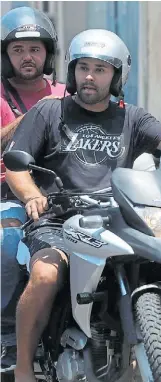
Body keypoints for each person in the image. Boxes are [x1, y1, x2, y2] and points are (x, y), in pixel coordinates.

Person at [4, 28, 161, 382]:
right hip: (59, 221)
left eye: (100, 69)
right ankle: (25, 367)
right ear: (73, 70)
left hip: (117, 218)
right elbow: (17, 167)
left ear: (117, 75)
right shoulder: (49, 112)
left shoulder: (131, 117)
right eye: (83, 67)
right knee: (45, 274)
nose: (89, 76)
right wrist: (32, 195)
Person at [0, 6, 66, 373]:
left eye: (35, 49)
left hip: (64, 193)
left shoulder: (67, 90)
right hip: (7, 194)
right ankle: (8, 339)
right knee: (8, 246)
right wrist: (34, 117)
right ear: (6, 56)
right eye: (18, 50)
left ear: (48, 53)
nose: (28, 57)